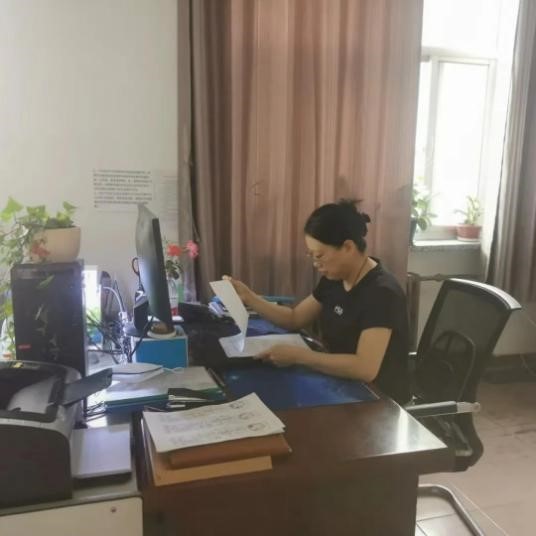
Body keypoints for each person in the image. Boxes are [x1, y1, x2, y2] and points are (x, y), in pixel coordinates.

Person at [224, 199, 410, 404]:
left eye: (319, 255)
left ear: (348, 247)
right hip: (340, 382)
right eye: (311, 256)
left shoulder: (381, 292)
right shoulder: (335, 278)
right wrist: (249, 297)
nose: (316, 264)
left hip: (379, 399)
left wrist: (300, 356)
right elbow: (295, 318)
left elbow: (365, 368)